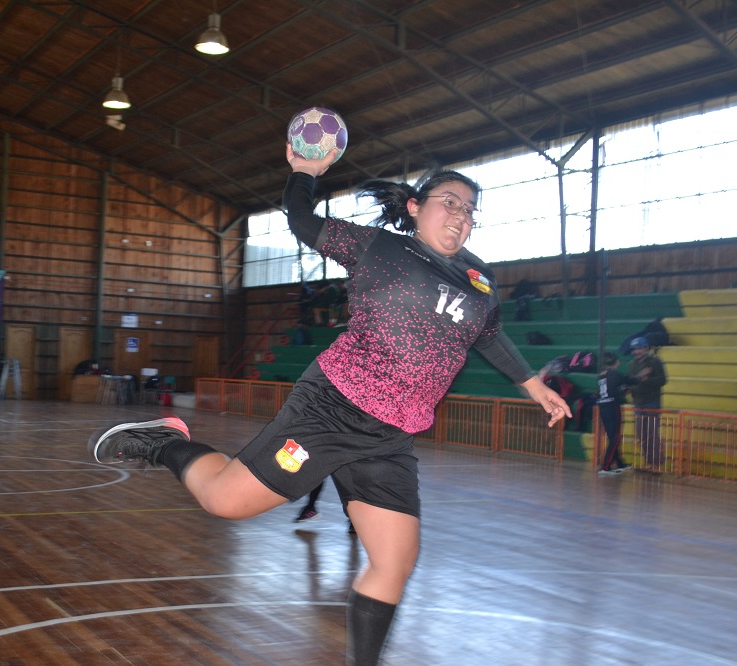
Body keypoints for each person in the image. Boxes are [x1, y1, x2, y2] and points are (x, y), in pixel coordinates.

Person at [87, 144, 572, 666]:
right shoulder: (379, 248)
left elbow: (489, 336)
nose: (461, 215)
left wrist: (532, 383)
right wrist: (303, 173)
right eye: (450, 202)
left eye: (470, 210)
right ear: (415, 206)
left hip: (390, 437)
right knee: (226, 502)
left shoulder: (479, 282)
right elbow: (300, 220)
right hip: (332, 409)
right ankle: (165, 443)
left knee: (395, 559)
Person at [595, 351, 640, 475]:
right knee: (615, 437)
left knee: (612, 437)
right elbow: (632, 380)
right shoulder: (615, 374)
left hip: (603, 408)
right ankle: (606, 466)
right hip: (612, 408)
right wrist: (642, 376)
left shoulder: (601, 375)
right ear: (616, 362)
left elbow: (608, 391)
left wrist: (622, 392)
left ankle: (619, 463)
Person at [627, 336, 667, 471]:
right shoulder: (632, 365)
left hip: (652, 403)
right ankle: (649, 462)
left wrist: (646, 380)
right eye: (635, 349)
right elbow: (631, 382)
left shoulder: (655, 362)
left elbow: (662, 380)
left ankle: (657, 464)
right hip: (638, 403)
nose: (636, 352)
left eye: (639, 348)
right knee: (641, 434)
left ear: (646, 348)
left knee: (651, 434)